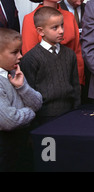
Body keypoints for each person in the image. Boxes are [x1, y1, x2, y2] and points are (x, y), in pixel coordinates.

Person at [21, 0, 85, 86]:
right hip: (44, 84)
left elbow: (77, 54)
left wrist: (79, 83)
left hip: (70, 82)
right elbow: (29, 59)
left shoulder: (69, 16)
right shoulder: (30, 19)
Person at [20, 7, 80, 125]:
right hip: (43, 116)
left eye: (62, 25)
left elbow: (75, 85)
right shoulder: (31, 58)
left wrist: (76, 109)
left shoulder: (70, 54)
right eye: (55, 28)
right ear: (40, 31)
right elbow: (28, 92)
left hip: (69, 113)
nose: (61, 31)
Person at [0, 28, 42, 171]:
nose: (20, 56)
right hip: (5, 148)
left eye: (20, 51)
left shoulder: (14, 72)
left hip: (21, 143)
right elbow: (8, 121)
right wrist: (30, 112)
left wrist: (22, 87)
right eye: (14, 52)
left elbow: (37, 102)